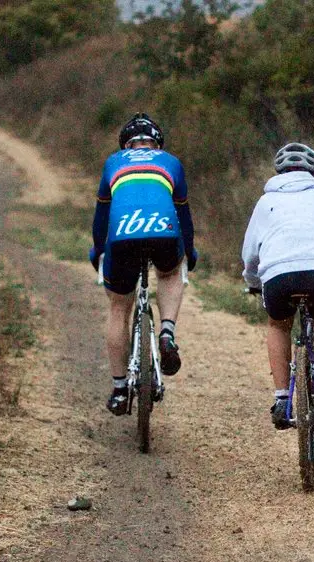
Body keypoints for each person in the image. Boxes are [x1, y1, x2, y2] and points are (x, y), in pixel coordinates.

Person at [241, 142, 314, 430]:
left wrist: (253, 281)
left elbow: (250, 253)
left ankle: (282, 399)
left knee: (279, 325)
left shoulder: (265, 202)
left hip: (278, 277)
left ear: (278, 172)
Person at [89, 112, 198, 415]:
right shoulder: (171, 162)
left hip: (121, 239)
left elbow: (100, 220)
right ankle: (166, 331)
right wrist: (189, 251)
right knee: (170, 272)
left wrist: (97, 250)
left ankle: (120, 387)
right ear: (157, 144)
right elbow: (185, 219)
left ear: (126, 145)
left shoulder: (114, 162)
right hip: (164, 233)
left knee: (118, 307)